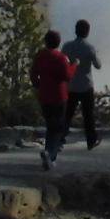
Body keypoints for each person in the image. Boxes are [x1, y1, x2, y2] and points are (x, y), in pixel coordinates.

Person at [31, 28, 75, 168]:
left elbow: (33, 73)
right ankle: (50, 155)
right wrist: (74, 65)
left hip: (44, 97)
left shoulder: (40, 56)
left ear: (45, 42)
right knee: (58, 128)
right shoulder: (61, 58)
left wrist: (38, 85)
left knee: (51, 126)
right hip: (59, 97)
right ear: (58, 43)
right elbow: (67, 76)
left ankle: (49, 153)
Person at [63, 19, 102, 151]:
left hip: (71, 86)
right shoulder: (89, 48)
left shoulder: (67, 46)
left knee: (67, 114)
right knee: (88, 115)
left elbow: (63, 65)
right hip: (86, 85)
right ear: (87, 32)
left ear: (76, 30)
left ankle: (59, 138)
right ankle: (91, 141)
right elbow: (98, 65)